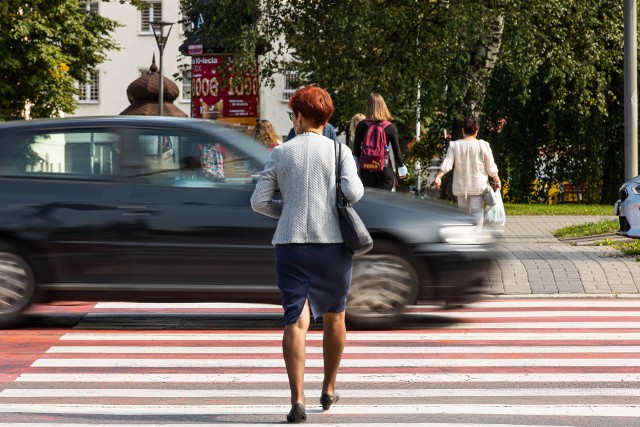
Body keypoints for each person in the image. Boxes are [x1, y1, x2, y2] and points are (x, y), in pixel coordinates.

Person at [250, 85, 364, 423]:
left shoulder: (281, 153)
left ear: (299, 115)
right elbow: (354, 192)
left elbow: (258, 201)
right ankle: (328, 388)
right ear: (325, 117)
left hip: (291, 245)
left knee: (294, 321)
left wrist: (286, 211)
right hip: (332, 247)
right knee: (335, 316)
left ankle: (297, 400)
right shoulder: (339, 151)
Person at [434, 117, 501, 228]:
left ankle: (465, 236)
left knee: (463, 214)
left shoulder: (454, 145)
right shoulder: (483, 145)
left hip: (461, 187)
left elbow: (447, 164)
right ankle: (475, 237)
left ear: (462, 131)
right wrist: (496, 180)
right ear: (476, 131)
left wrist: (438, 177)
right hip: (478, 186)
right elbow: (491, 166)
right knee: (477, 212)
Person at [352, 93, 408, 190]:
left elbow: (356, 153)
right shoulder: (390, 127)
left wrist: (353, 171)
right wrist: (401, 167)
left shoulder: (361, 126)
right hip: (384, 172)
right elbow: (397, 154)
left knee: (369, 203)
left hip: (366, 172)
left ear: (368, 107)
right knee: (383, 203)